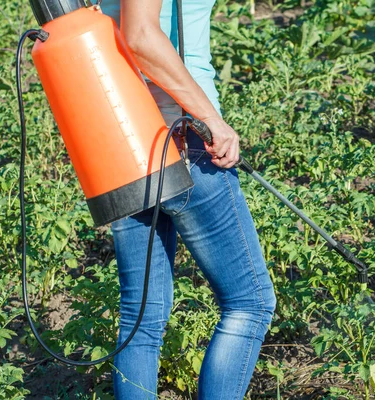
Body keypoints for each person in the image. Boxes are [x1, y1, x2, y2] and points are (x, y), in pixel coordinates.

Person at [100, 1, 276, 399]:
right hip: (183, 136)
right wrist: (210, 118)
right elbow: (140, 36)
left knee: (140, 317)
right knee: (250, 304)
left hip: (121, 136)